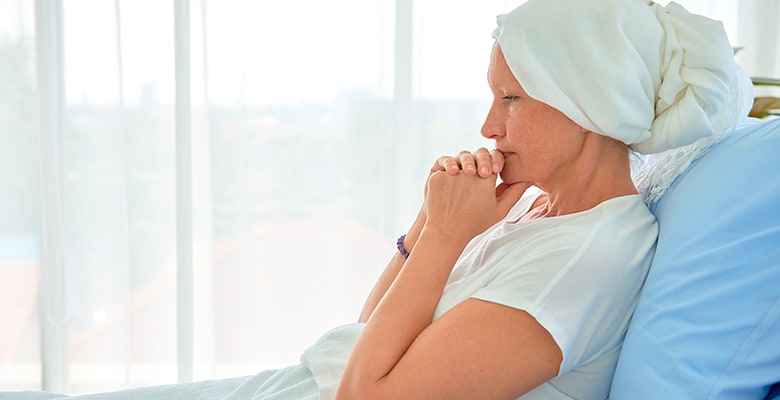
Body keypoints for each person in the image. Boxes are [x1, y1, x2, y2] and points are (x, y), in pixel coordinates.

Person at [2, 0, 753, 399]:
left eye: (512, 99)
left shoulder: (589, 255)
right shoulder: (540, 211)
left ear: (588, 102)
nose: (489, 126)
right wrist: (429, 225)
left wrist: (447, 239)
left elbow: (370, 397)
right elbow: (370, 333)